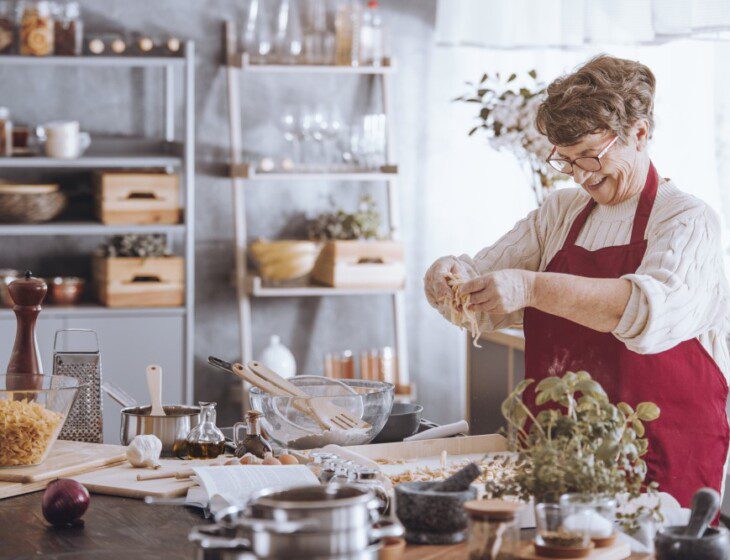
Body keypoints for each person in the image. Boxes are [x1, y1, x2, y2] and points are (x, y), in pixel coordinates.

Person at [424, 55, 729, 507]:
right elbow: (482, 289)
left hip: (660, 459)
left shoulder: (687, 219)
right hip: (558, 455)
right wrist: (447, 279)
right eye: (566, 162)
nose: (582, 176)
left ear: (640, 134)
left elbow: (647, 313)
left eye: (591, 156)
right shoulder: (559, 214)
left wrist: (532, 288)